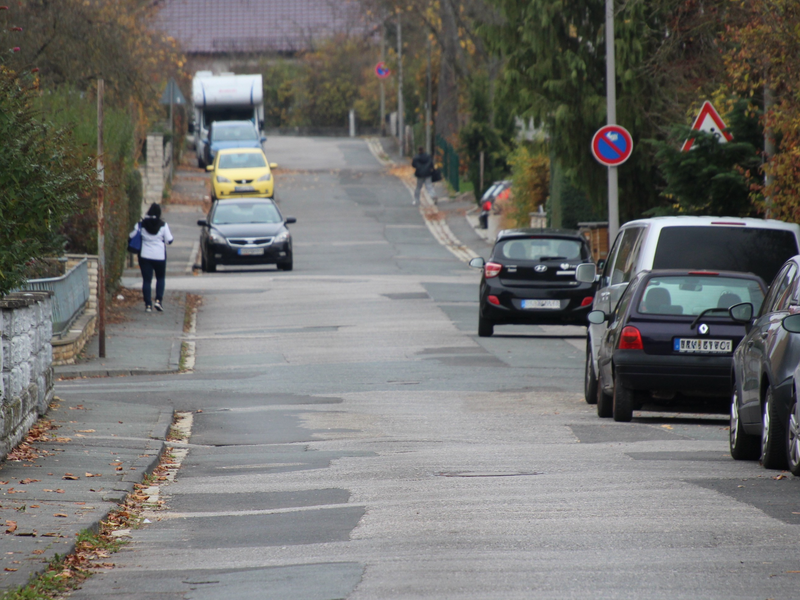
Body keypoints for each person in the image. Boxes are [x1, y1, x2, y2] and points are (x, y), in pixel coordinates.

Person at [130, 203, 174, 313]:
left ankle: (148, 305)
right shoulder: (163, 225)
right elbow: (169, 240)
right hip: (160, 256)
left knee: (147, 281)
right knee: (160, 278)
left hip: (145, 256)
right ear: (159, 213)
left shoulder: (141, 224)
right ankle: (158, 301)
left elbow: (131, 236)